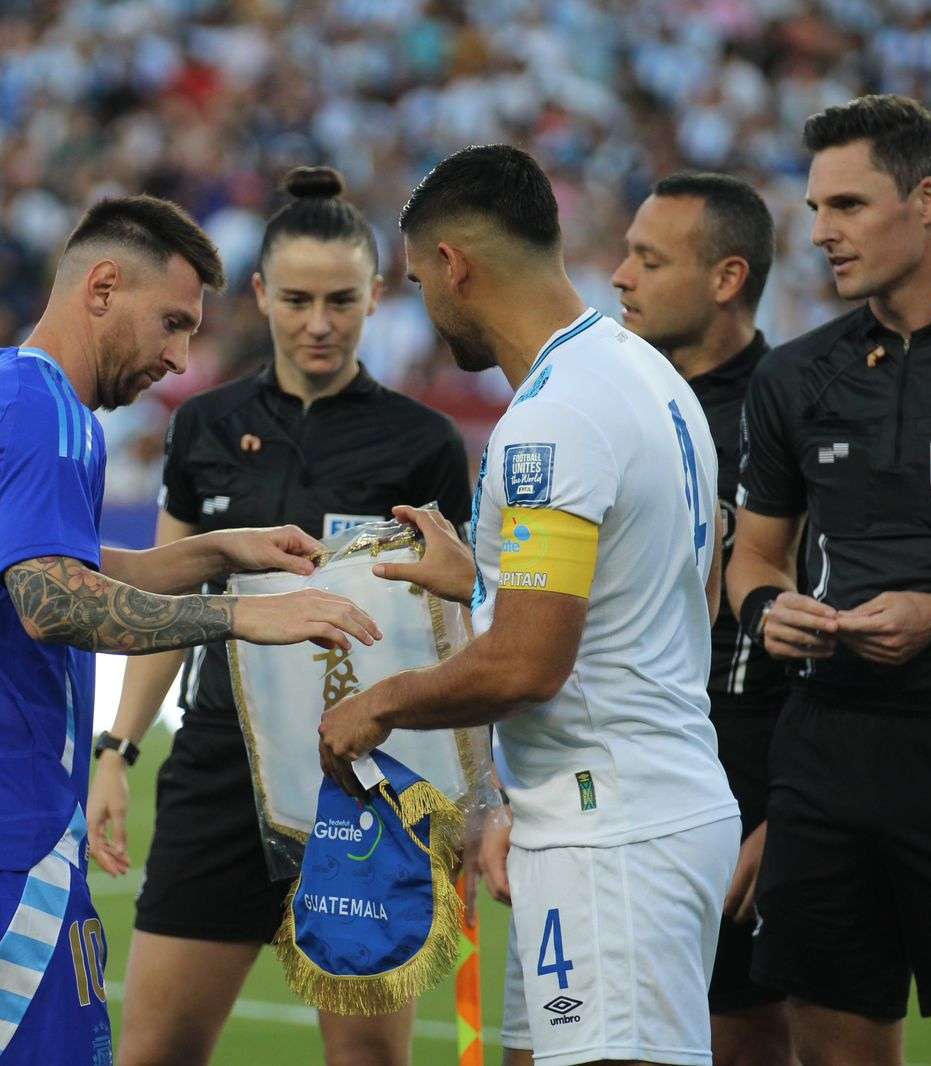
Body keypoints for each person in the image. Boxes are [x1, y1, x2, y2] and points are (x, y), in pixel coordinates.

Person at [0, 194, 383, 1066]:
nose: (177, 357)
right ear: (101, 288)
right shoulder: (50, 410)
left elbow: (49, 563)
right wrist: (245, 616)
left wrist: (211, 552)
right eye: (171, 323)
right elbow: (51, 601)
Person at [317, 144, 740, 1066]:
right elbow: (671, 595)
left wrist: (374, 707)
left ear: (456, 267)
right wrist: (484, 582)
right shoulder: (643, 372)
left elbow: (525, 665)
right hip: (613, 809)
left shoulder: (554, 417)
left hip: (616, 831)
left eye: (420, 278)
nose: (423, 303)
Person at [88, 166, 472, 1066]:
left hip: (367, 782)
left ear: (377, 296)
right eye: (297, 299)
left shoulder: (423, 444)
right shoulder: (205, 425)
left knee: (366, 1061)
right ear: (260, 294)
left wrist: (462, 807)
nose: (320, 322)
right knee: (152, 1054)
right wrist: (119, 749)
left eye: (342, 299)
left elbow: (457, 628)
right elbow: (166, 600)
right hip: (217, 765)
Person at [728, 94, 931, 1066]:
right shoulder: (795, 377)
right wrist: (769, 613)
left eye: (849, 205)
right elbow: (755, 555)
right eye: (816, 207)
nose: (820, 232)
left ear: (928, 200)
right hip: (827, 761)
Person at [610, 172, 793, 1066]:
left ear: (726, 278)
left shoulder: (792, 407)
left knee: (741, 1034)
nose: (620, 276)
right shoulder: (616, 401)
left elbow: (821, 617)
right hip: (621, 765)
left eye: (648, 258)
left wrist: (789, 808)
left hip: (749, 764)